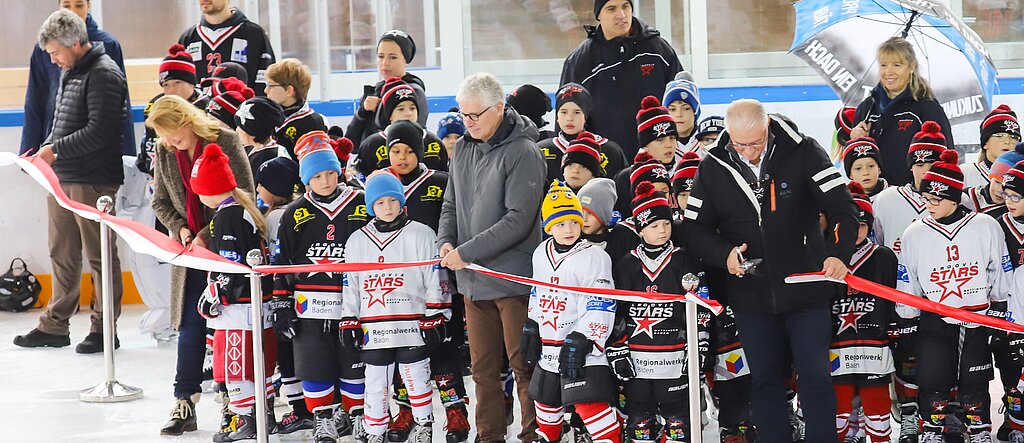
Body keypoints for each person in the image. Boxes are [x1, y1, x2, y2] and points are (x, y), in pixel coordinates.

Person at [681, 99, 859, 442]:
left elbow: (842, 207)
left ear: (768, 129)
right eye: (740, 144)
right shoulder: (713, 166)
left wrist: (838, 254)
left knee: (815, 377)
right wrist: (725, 255)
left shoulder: (804, 151)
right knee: (764, 379)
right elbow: (693, 230)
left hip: (807, 289)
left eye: (756, 143)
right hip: (752, 294)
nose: (748, 152)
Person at [13, 10, 130, 353]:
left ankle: (103, 328)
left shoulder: (105, 74)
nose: (53, 60)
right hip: (62, 177)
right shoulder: (70, 71)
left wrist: (55, 150)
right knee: (62, 252)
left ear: (76, 43)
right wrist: (44, 150)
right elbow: (60, 122)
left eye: (56, 53)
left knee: (99, 257)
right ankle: (54, 325)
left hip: (93, 180)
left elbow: (100, 131)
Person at [438, 72, 545, 443]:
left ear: (499, 108)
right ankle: (489, 436)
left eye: (475, 115)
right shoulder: (464, 147)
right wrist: (446, 242)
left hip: (514, 279)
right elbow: (450, 203)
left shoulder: (524, 152)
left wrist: (465, 252)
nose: (467, 123)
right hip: (472, 278)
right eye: (463, 115)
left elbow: (518, 220)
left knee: (523, 365)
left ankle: (534, 434)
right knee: (482, 368)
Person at [143, 94, 254, 435]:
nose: (169, 141)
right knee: (191, 325)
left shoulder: (225, 140)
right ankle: (184, 399)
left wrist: (208, 232)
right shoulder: (164, 151)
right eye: (163, 135)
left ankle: (232, 401)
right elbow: (160, 199)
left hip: (227, 248)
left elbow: (244, 192)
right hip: (189, 251)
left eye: (172, 133)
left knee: (228, 327)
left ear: (187, 121)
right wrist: (179, 228)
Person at [896, 149, 1014, 442]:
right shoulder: (914, 233)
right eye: (927, 198)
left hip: (976, 317)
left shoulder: (985, 226)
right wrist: (906, 316)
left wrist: (1000, 309)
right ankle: (932, 430)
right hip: (935, 317)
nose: (930, 204)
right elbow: (907, 277)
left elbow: (1001, 270)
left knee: (975, 380)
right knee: (933, 379)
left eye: (937, 199)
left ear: (954, 196)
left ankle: (979, 429)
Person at [270, 131, 368, 442]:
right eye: (317, 175)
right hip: (309, 307)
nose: (325, 180)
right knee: (313, 366)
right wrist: (281, 303)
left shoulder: (361, 202)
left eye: (330, 173)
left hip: (353, 304)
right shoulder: (294, 213)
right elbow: (283, 262)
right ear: (305, 179)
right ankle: (322, 419)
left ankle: (358, 417)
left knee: (355, 366)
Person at [378, 121, 471, 443]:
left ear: (420, 152)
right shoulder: (380, 185)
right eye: (395, 151)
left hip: (440, 282)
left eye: (408, 151)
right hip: (396, 288)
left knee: (443, 347)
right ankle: (405, 409)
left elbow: (456, 223)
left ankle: (455, 410)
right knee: (404, 348)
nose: (402, 157)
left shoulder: (440, 182)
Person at [341, 172, 449, 443]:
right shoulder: (356, 240)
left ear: (402, 201)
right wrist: (348, 318)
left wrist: (436, 313)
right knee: (376, 383)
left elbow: (435, 277)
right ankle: (375, 431)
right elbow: (351, 284)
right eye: (379, 202)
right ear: (370, 206)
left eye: (392, 200)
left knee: (416, 377)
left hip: (411, 324)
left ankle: (424, 423)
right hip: (374, 326)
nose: (387, 207)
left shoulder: (422, 233)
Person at [520, 180, 621, 443]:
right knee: (545, 399)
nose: (570, 229)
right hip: (550, 345)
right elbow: (537, 291)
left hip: (582, 347)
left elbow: (601, 302)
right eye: (561, 223)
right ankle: (550, 437)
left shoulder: (595, 256)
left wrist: (584, 337)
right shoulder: (541, 252)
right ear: (549, 226)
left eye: (575, 221)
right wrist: (532, 323)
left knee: (588, 403)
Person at [610, 181, 710, 443]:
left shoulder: (684, 259)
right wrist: (617, 350)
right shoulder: (626, 264)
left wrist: (698, 346)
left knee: (680, 427)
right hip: (638, 366)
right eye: (654, 226)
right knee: (640, 427)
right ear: (640, 229)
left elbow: (700, 304)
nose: (662, 230)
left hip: (675, 362)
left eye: (666, 223)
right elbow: (616, 310)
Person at [190, 144, 278, 441]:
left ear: (210, 190)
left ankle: (246, 420)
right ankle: (264, 416)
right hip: (255, 308)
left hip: (238, 313)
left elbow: (233, 266)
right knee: (258, 368)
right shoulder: (243, 211)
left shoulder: (228, 217)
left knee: (236, 369)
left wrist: (215, 296)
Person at [559, 0, 682, 159]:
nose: (621, 15)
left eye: (625, 7)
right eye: (612, 9)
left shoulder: (658, 49)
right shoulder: (580, 61)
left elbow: (682, 101)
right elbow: (566, 118)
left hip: (658, 160)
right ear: (599, 15)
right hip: (605, 162)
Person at [830, 182, 899, 443]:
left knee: (877, 403)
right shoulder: (827, 257)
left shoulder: (884, 257)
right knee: (838, 405)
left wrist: (894, 331)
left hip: (875, 346)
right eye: (851, 224)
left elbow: (895, 298)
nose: (856, 231)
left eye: (862, 224)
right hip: (836, 346)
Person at [21, 0, 133, 157]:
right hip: (56, 142)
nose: (73, 11)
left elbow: (122, 103)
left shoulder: (108, 45)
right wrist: (29, 151)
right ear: (59, 7)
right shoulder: (43, 48)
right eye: (66, 6)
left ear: (89, 5)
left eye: (79, 5)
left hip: (96, 150)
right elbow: (35, 99)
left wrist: (128, 154)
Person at [850, 37, 952, 186]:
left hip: (914, 199)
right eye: (883, 65)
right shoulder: (867, 107)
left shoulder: (928, 109)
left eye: (897, 65)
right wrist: (855, 139)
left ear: (911, 66)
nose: (888, 72)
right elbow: (853, 162)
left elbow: (946, 158)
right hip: (874, 198)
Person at [352, 77, 449, 181]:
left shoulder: (434, 142)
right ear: (389, 115)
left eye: (412, 108)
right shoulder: (371, 144)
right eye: (401, 109)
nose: (408, 113)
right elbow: (360, 180)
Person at [137, 44, 211, 176]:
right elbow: (149, 147)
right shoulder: (155, 107)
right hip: (165, 176)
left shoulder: (207, 106)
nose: (171, 90)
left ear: (191, 82)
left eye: (178, 82)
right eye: (165, 85)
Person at [346, 30, 430, 145]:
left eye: (393, 57)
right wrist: (363, 111)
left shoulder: (414, 92)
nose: (385, 63)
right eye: (380, 57)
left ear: (406, 60)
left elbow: (415, 140)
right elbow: (351, 144)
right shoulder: (375, 92)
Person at [537, 83, 628, 185]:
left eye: (577, 112)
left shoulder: (610, 150)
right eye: (563, 112)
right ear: (557, 116)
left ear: (586, 115)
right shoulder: (541, 150)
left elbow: (622, 188)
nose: (569, 118)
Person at [178, 0, 275, 93]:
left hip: (242, 108)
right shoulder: (188, 38)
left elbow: (265, 82)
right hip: (197, 109)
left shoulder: (253, 34)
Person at [994, 155, 1024, 442]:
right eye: (1007, 194)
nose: (1010, 200)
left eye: (1016, 195)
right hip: (1007, 313)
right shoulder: (995, 224)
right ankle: (1014, 422)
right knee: (1011, 368)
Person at [613, 96, 679, 215]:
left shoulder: (685, 171)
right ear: (645, 145)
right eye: (660, 140)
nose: (669, 145)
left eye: (672, 138)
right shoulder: (625, 178)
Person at [264, 59, 329, 159]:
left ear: (289, 90)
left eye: (271, 85)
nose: (266, 90)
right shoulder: (271, 116)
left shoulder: (311, 122)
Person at [963, 104, 1021, 188]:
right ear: (985, 143)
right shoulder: (966, 172)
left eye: (1014, 137)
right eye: (999, 136)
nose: (1007, 141)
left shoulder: (1021, 175)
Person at [234, 96, 286, 174]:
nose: (237, 130)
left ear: (252, 132)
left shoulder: (268, 160)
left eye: (240, 127)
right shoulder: (254, 150)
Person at [663, 73, 704, 158]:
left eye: (686, 109)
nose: (679, 115)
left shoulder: (708, 142)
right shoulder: (654, 145)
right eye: (672, 109)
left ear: (695, 111)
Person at [578, 177, 616, 249]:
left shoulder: (617, 244)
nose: (584, 219)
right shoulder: (570, 241)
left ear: (605, 214)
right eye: (580, 212)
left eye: (590, 213)